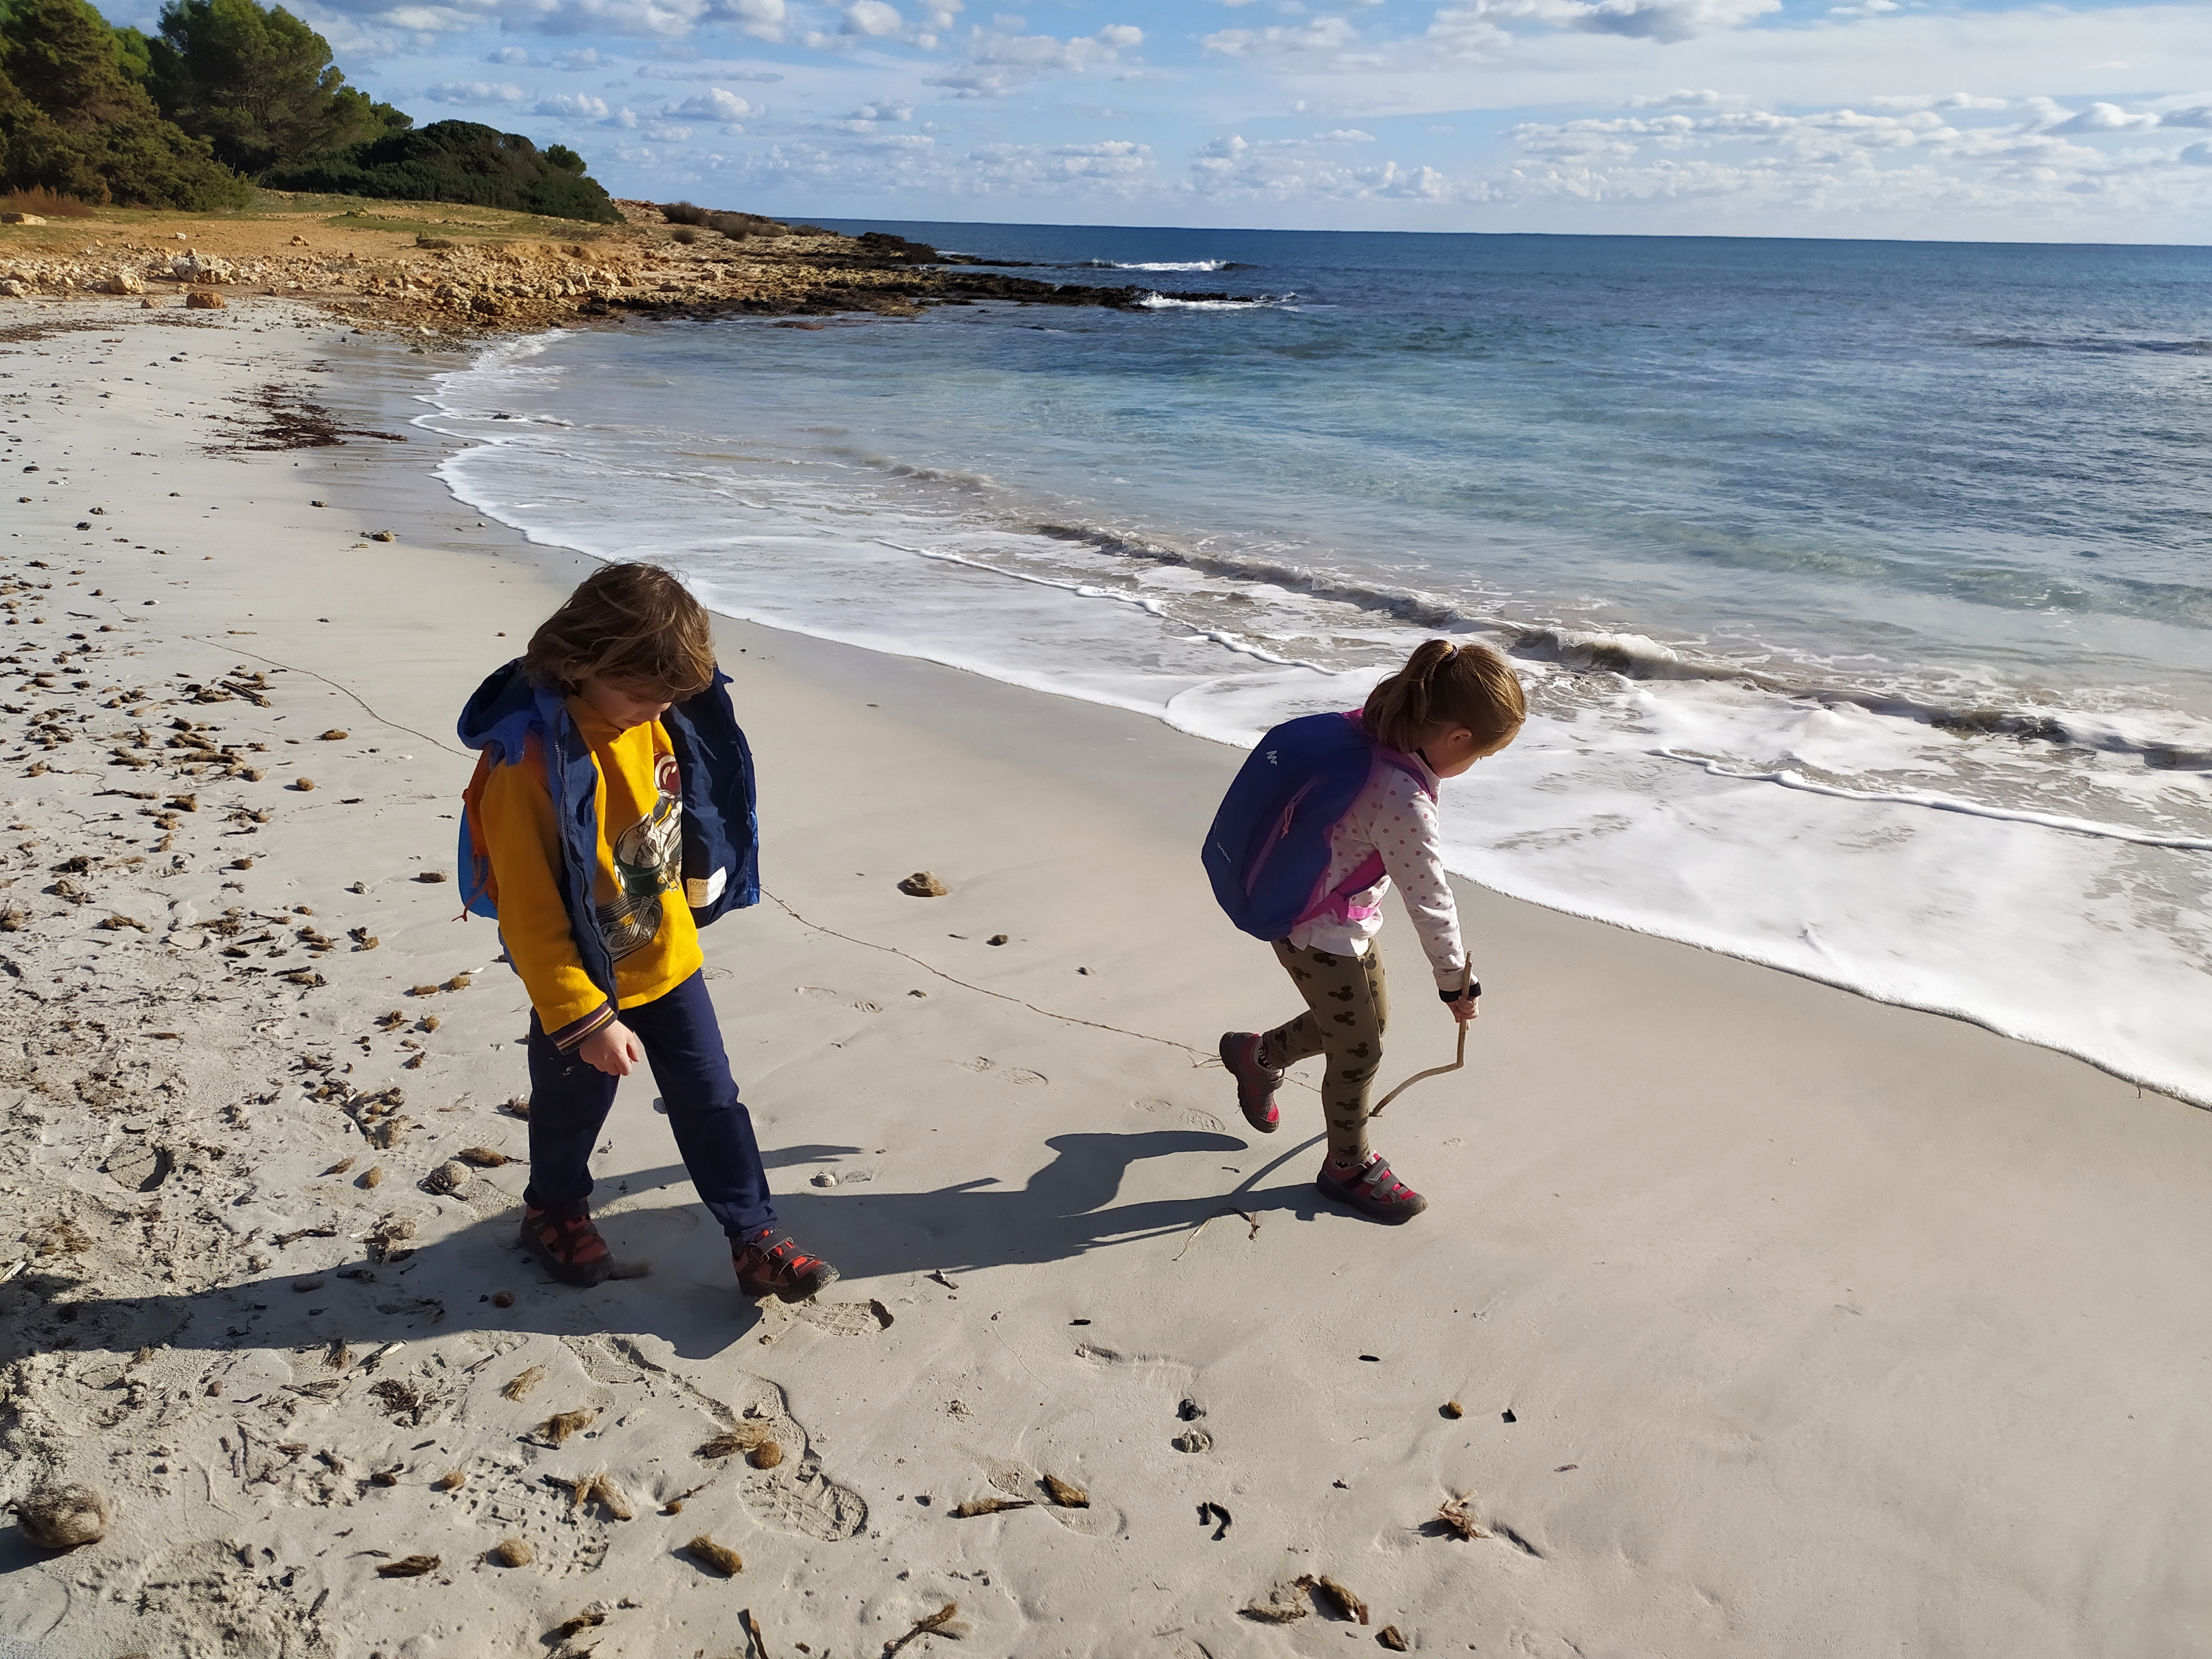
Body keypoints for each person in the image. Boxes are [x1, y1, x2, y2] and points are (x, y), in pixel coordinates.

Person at [455, 561, 838, 1301]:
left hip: (668, 957)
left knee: (713, 1101)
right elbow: (531, 914)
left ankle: (754, 1234)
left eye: (670, 696)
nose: (655, 708)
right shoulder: (528, 764)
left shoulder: (658, 714)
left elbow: (686, 808)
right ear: (580, 661)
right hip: (584, 980)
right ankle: (554, 1211)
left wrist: (702, 881)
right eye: (639, 694)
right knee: (571, 1113)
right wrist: (583, 1016)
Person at [1215, 639, 1526, 1223]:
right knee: (1360, 1048)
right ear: (1457, 737)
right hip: (1315, 927)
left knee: (1366, 1023)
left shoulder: (1380, 721)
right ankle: (1347, 1167)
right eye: (1480, 755)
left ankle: (1257, 1057)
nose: (1472, 766)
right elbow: (1430, 898)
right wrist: (1456, 982)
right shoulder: (1402, 800)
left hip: (1339, 907)